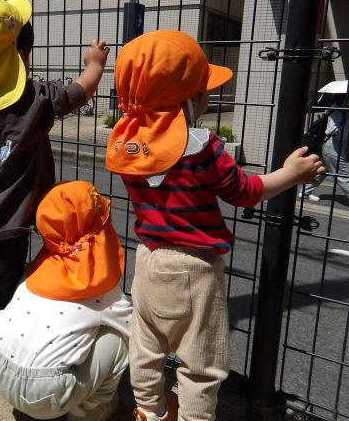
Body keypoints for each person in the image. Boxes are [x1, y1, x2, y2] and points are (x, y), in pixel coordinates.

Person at [105, 30, 325, 421]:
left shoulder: (127, 146)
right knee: (200, 362)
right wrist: (291, 174)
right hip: (196, 270)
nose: (209, 97)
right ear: (188, 101)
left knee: (146, 348)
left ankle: (149, 412)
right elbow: (244, 191)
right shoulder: (203, 145)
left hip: (150, 260)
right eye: (203, 91)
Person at [0, 0, 109, 393]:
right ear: (18, 57)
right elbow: (79, 92)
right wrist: (96, 64)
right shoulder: (32, 100)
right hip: (4, 234)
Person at [0, 181, 132, 421]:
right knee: (118, 341)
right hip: (45, 393)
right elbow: (130, 326)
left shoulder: (39, 265)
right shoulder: (96, 280)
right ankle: (90, 413)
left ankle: (30, 404)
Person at [304, 95, 348, 203]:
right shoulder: (337, 110)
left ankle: (305, 192)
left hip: (336, 146)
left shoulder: (342, 110)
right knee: (343, 175)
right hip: (333, 146)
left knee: (323, 170)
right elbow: (333, 130)